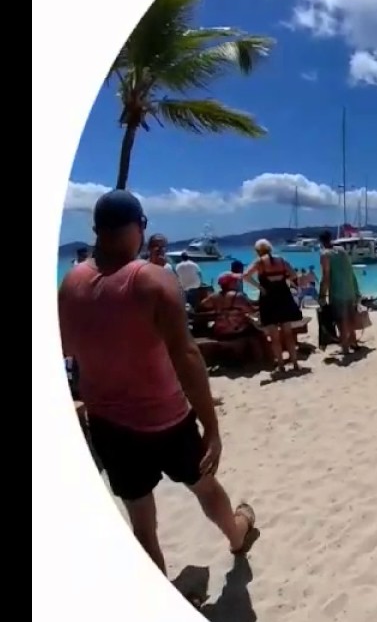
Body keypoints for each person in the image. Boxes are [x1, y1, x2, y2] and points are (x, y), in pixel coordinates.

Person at [58, 190, 256, 574]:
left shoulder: (70, 283)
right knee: (205, 486)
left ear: (97, 230)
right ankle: (236, 535)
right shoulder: (152, 280)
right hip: (165, 420)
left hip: (108, 425)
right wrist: (211, 428)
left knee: (141, 523)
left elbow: (66, 349)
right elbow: (187, 356)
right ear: (137, 227)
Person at [243, 239, 303, 373]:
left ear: (258, 251)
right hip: (284, 297)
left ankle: (281, 365)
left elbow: (245, 276)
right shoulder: (281, 260)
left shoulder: (259, 263)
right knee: (288, 334)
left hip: (268, 299)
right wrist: (284, 281)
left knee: (274, 336)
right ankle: (294, 363)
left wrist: (259, 287)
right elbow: (293, 275)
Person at [198, 272, 269, 366]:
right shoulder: (237, 296)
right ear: (230, 283)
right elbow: (251, 310)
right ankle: (261, 360)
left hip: (220, 330)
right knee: (258, 332)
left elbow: (202, 305)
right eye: (235, 281)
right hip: (235, 330)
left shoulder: (214, 296)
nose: (237, 283)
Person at [318, 231, 361, 355]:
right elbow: (350, 270)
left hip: (337, 291)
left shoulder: (325, 254)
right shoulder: (342, 251)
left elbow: (326, 276)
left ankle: (345, 347)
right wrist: (357, 290)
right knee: (350, 317)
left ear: (321, 242)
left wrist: (322, 294)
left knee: (340, 320)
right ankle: (354, 342)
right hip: (350, 288)